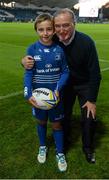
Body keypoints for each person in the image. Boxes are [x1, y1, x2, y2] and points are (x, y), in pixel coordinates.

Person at [22, 8, 101, 164]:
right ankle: (63, 144)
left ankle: (88, 149)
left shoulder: (86, 42)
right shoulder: (53, 40)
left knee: (88, 117)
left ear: (74, 24)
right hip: (65, 84)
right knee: (63, 116)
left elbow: (95, 74)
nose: (61, 30)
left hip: (83, 83)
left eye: (66, 25)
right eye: (57, 26)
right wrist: (23, 61)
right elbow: (32, 62)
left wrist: (91, 100)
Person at [23, 13, 69, 172]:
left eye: (49, 29)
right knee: (41, 122)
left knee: (56, 125)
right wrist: (28, 94)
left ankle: (60, 153)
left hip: (55, 97)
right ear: (36, 30)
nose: (45, 33)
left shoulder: (59, 49)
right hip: (38, 98)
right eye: (41, 29)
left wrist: (57, 89)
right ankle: (43, 146)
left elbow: (65, 72)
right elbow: (28, 73)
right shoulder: (32, 49)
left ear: (54, 31)